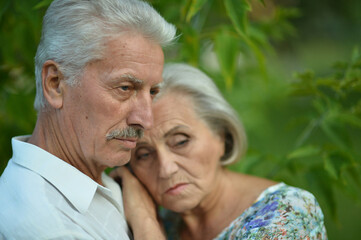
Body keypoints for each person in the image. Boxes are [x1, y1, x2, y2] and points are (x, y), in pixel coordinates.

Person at [0, 0, 176, 239]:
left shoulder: (98, 174)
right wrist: (145, 222)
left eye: (153, 92)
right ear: (55, 84)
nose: (146, 120)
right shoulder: (52, 229)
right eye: (125, 88)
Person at [113, 63, 328, 239]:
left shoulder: (286, 213)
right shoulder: (168, 222)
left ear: (222, 136)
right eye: (144, 155)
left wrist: (145, 222)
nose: (165, 169)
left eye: (180, 142)